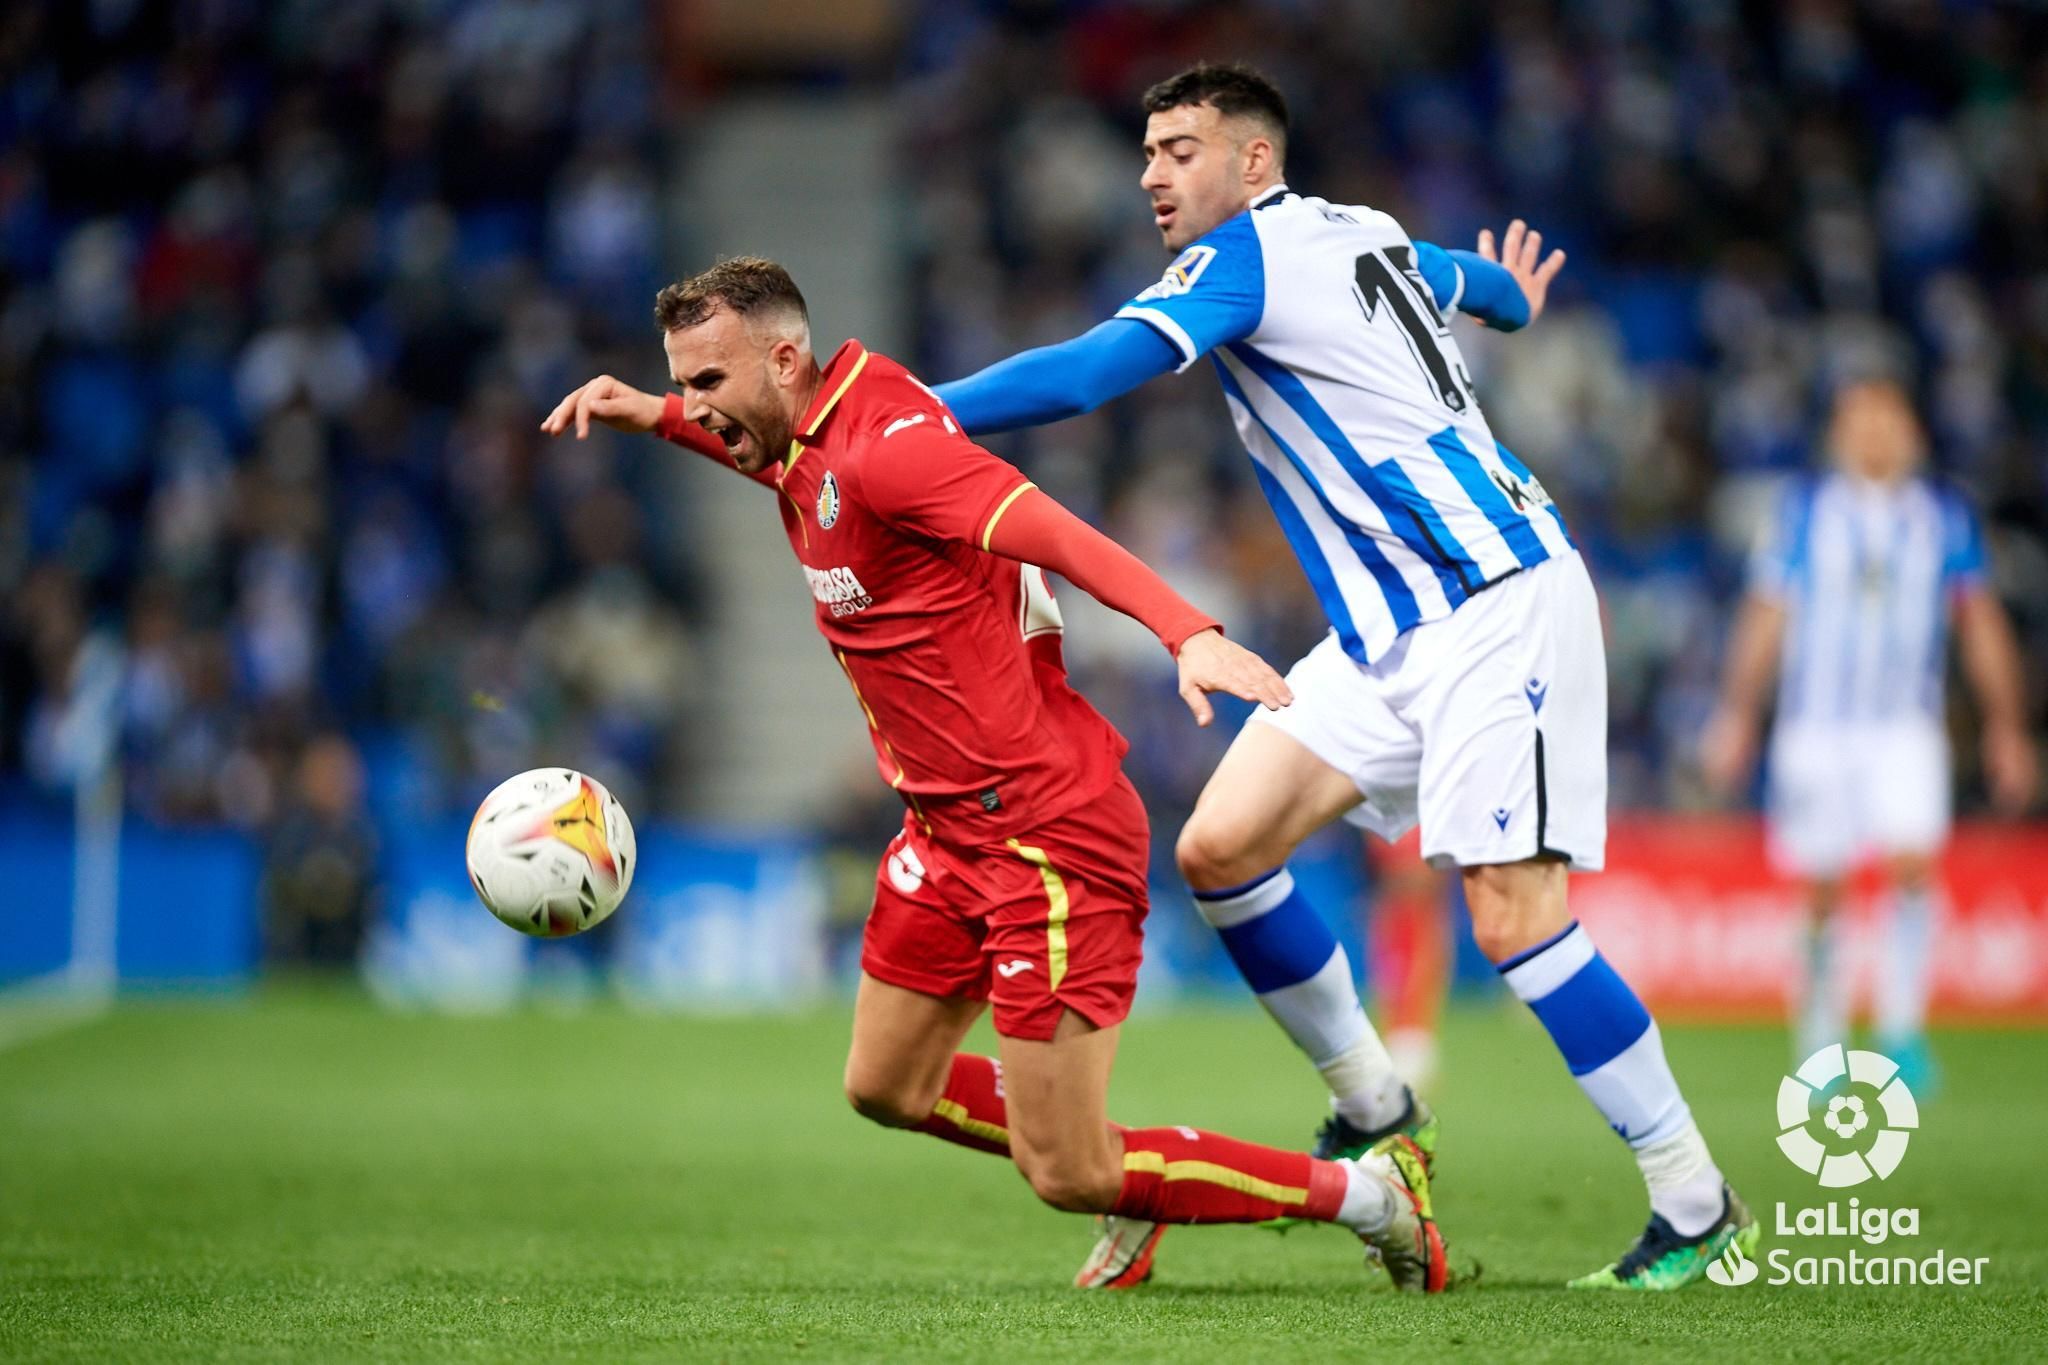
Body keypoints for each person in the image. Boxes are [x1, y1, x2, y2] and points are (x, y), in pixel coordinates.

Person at [933, 61, 1752, 1291]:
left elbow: (1087, 376)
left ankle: (1694, 1202)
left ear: (1251, 162)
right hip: (1387, 635)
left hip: (1493, 603)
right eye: (1146, 151)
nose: (1152, 173)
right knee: (1220, 847)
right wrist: (1513, 304)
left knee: (1514, 917)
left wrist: (893, 421)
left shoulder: (1245, 257)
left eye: (1178, 149)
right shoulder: (1358, 232)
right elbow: (1463, 280)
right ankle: (1376, 1109)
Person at [540, 257, 1456, 1292]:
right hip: (941, 834)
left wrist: (1184, 631)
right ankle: (1139, 1184)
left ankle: (1373, 1198)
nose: (699, 408)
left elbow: (1054, 531)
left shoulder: (892, 451)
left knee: (1068, 1170)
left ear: (783, 359)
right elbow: (781, 462)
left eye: (707, 384)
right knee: (886, 1084)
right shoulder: (807, 435)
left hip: (1044, 833)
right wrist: (653, 413)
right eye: (685, 384)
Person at [1701, 375, 2035, 1090]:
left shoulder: (1943, 515)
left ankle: (1901, 1031)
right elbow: (1765, 615)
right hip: (1815, 727)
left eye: (1889, 417)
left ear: (1912, 431)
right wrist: (1736, 714)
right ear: (1838, 433)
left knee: (1913, 863)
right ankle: (1821, 1038)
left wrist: (2008, 727)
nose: (1876, 432)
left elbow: (1980, 623)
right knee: (1822, 887)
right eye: (1861, 418)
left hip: (1904, 727)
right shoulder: (1803, 512)